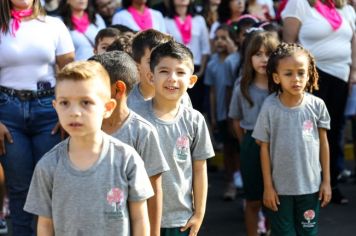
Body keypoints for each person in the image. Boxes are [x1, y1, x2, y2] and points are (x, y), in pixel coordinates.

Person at [24, 61, 153, 236]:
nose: (74, 111)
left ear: (108, 108)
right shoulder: (48, 165)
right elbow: (45, 224)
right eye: (64, 103)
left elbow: (140, 218)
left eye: (85, 102)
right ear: (55, 107)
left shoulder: (127, 159)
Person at [0, 0, 74, 234]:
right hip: (7, 111)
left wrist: (65, 111)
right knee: (19, 186)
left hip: (48, 109)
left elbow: (70, 72)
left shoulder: (54, 25)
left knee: (52, 183)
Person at [132, 41, 215, 236]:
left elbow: (199, 168)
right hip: (140, 216)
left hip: (181, 219)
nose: (172, 79)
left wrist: (199, 213)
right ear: (150, 77)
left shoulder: (194, 120)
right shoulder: (134, 118)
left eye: (180, 72)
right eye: (164, 71)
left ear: (192, 80)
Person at [252, 43, 332, 235]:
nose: (296, 79)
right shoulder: (269, 107)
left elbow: (323, 143)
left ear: (309, 74)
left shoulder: (317, 105)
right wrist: (268, 187)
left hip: (310, 188)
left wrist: (326, 182)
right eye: (288, 73)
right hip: (279, 192)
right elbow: (263, 148)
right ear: (276, 77)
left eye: (301, 73)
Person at [282, 0, 356, 204]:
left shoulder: (346, 9)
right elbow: (288, 43)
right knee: (307, 132)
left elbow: (353, 41)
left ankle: (330, 184)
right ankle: (306, 186)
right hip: (311, 78)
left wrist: (353, 71)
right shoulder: (299, 4)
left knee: (334, 130)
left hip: (341, 77)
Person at [89, 51, 169, 236]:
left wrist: (154, 233)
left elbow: (154, 190)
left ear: (118, 89)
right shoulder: (85, 127)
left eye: (93, 85)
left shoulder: (142, 132)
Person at [229, 31, 279, 236]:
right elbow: (236, 119)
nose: (264, 59)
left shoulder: (281, 86)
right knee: (254, 200)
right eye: (258, 54)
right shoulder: (242, 86)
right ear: (250, 56)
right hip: (252, 144)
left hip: (279, 145)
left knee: (277, 199)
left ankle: (269, 230)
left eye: (269, 54)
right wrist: (246, 143)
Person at [204, 24, 240, 200]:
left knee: (239, 148)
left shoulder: (236, 60)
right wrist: (212, 116)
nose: (220, 41)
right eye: (217, 38)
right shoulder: (211, 63)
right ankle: (230, 182)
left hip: (236, 113)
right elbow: (211, 92)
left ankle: (240, 180)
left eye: (224, 38)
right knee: (228, 149)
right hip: (221, 113)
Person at [165, 0, 211, 113]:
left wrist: (202, 71)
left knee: (197, 108)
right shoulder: (166, 21)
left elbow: (205, 47)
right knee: (177, 106)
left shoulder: (199, 20)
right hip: (176, 69)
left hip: (197, 69)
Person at [127, 29, 172, 108]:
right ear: (136, 66)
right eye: (152, 61)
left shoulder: (178, 95)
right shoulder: (127, 102)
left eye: (165, 61)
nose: (160, 67)